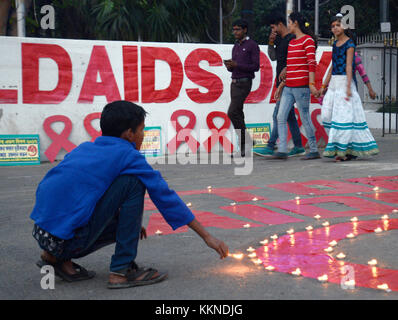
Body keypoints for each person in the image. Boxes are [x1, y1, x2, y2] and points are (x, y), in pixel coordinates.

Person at [31, 100, 229, 289]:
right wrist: (207, 236)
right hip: (69, 242)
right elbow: (164, 196)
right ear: (129, 134)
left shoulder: (85, 149)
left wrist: (124, 220)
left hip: (44, 235)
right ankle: (121, 271)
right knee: (134, 182)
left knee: (111, 191)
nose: (143, 135)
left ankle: (54, 259)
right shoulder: (129, 155)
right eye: (142, 130)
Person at [320, 16, 379, 161]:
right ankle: (339, 147)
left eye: (338, 25)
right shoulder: (334, 44)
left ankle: (343, 151)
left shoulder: (350, 45)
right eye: (333, 25)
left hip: (344, 85)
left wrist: (347, 87)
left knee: (343, 119)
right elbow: (332, 66)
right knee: (326, 115)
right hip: (334, 84)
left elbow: (349, 66)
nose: (335, 28)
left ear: (345, 27)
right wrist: (324, 85)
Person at [268, 12, 321, 160]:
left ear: (295, 23)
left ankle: (314, 149)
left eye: (290, 23)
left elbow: (312, 64)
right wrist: (280, 86)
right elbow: (290, 68)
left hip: (302, 86)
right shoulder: (292, 43)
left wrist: (311, 85)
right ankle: (283, 150)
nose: (289, 25)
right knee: (280, 116)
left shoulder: (308, 41)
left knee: (304, 117)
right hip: (289, 86)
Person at [254, 13, 305, 157]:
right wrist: (271, 42)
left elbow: (295, 62)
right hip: (282, 83)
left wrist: (284, 81)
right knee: (289, 116)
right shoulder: (280, 40)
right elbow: (273, 57)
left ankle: (271, 145)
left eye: (273, 27)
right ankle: (299, 146)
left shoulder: (292, 40)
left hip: (289, 83)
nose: (272, 30)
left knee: (278, 114)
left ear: (280, 25)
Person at [224, 19, 260, 157]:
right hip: (234, 82)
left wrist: (237, 65)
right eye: (234, 29)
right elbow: (235, 66)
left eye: (238, 29)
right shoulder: (236, 46)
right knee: (238, 112)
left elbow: (255, 66)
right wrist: (230, 66)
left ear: (245, 30)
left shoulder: (252, 45)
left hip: (244, 82)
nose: (235, 32)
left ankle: (247, 141)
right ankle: (245, 146)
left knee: (232, 112)